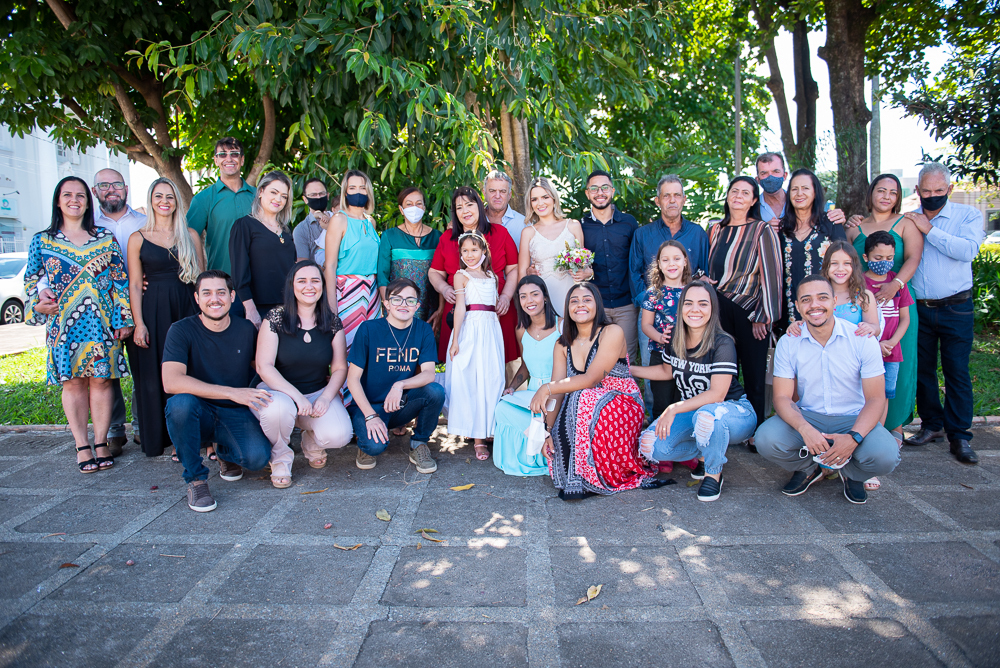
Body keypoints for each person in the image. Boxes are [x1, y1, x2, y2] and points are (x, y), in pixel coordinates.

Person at [754, 274, 900, 505]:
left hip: (853, 417)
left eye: (822, 298)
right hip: (809, 416)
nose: (815, 305)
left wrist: (853, 438)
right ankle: (811, 468)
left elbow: (875, 399)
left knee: (886, 455)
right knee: (766, 439)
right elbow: (781, 397)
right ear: (798, 307)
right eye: (806, 300)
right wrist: (804, 428)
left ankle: (851, 473)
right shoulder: (789, 342)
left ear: (834, 301)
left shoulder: (861, 339)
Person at [24, 177, 133, 473]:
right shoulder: (42, 241)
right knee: (73, 382)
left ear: (88, 201)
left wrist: (124, 318)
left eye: (81, 195)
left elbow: (120, 281)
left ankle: (101, 442)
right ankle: (82, 445)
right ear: (58, 201)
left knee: (101, 380)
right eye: (68, 195)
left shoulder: (104, 237)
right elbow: (31, 280)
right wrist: (37, 301)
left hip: (102, 323)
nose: (75, 200)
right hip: (64, 324)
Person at [530, 282, 668, 499]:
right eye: (574, 301)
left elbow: (591, 379)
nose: (580, 305)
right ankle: (576, 477)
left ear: (597, 305)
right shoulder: (562, 344)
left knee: (581, 397)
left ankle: (595, 477)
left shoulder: (612, 332)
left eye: (587, 300)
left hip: (623, 404)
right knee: (569, 404)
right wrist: (546, 430)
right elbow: (557, 392)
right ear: (567, 308)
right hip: (584, 405)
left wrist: (546, 388)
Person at [632, 281, 758, 501]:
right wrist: (628, 369)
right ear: (681, 307)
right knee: (650, 446)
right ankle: (705, 452)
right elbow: (666, 371)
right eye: (688, 303)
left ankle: (713, 473)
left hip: (734, 412)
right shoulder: (675, 337)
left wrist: (673, 408)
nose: (695, 309)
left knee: (707, 415)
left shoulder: (723, 342)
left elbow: (717, 395)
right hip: (696, 414)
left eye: (703, 303)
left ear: (713, 308)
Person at [162, 270, 272, 512]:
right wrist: (232, 392)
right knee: (179, 405)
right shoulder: (181, 330)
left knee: (257, 459)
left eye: (221, 292)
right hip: (197, 412)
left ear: (232, 296)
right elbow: (171, 381)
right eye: (207, 293)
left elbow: (264, 369)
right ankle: (196, 480)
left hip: (235, 412)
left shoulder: (246, 329)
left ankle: (225, 453)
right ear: (197, 298)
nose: (215, 299)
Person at [901, 162, 985, 465]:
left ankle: (960, 435)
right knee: (923, 371)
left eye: (938, 190)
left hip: (956, 307)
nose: (932, 195)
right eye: (926, 191)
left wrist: (931, 230)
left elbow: (967, 251)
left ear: (949, 189)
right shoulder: (910, 219)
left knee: (956, 371)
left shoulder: (967, 215)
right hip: (921, 309)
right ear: (917, 190)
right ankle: (931, 425)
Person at [252, 261, 353, 488]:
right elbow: (264, 367)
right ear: (292, 286)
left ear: (322, 286)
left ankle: (311, 437)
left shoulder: (332, 322)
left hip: (315, 392)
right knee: (279, 408)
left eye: (315, 280)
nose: (309, 286)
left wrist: (325, 398)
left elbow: (339, 368)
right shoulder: (275, 318)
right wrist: (297, 397)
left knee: (339, 435)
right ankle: (280, 458)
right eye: (302, 281)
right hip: (277, 393)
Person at [126, 178, 205, 459]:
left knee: (189, 371)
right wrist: (139, 323)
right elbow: (135, 284)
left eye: (170, 197)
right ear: (151, 200)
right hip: (152, 311)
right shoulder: (137, 238)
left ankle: (187, 437)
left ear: (177, 202)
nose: (164, 201)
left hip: (186, 308)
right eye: (159, 196)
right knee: (154, 374)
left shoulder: (190, 235)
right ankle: (160, 438)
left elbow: (201, 280)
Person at [845, 173, 924, 435]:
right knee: (860, 366)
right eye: (881, 190)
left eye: (893, 192)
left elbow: (913, 258)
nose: (886, 196)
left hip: (897, 303)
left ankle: (896, 426)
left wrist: (896, 284)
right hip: (861, 307)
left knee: (897, 364)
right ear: (871, 194)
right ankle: (861, 426)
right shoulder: (854, 227)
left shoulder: (906, 223)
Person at [345, 278, 445, 474]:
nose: (403, 304)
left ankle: (419, 443)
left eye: (410, 300)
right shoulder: (368, 329)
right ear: (387, 304)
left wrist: (399, 385)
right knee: (373, 447)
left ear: (417, 306)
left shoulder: (423, 329)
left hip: (400, 404)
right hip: (369, 406)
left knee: (435, 392)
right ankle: (366, 440)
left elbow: (429, 374)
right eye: (397, 299)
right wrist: (370, 416)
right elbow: (352, 379)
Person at [706, 176, 782, 432]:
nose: (738, 196)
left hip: (749, 311)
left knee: (753, 373)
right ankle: (726, 425)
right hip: (718, 309)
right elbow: (706, 266)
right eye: (734, 191)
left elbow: (772, 275)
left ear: (753, 201)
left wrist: (764, 316)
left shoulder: (762, 230)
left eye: (745, 193)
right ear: (728, 196)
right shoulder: (715, 229)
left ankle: (756, 430)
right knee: (721, 370)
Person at [630, 175, 710, 408]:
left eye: (677, 195)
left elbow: (704, 274)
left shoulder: (698, 233)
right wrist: (651, 301)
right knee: (653, 372)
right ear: (658, 201)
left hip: (690, 320)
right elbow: (634, 273)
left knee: (689, 370)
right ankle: (654, 417)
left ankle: (688, 415)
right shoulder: (643, 234)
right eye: (666, 196)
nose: (672, 200)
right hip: (652, 318)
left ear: (684, 199)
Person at [428, 187, 519, 364]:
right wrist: (444, 288)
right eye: (459, 207)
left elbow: (513, 269)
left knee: (497, 365)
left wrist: (506, 297)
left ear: (479, 206)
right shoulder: (447, 238)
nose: (465, 211)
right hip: (457, 311)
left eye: (469, 205)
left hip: (497, 310)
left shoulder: (499, 233)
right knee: (461, 365)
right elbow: (434, 272)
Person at [860, 231, 914, 491]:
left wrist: (892, 342)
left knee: (882, 398)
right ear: (866, 257)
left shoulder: (896, 284)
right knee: (864, 396)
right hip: (867, 352)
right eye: (878, 257)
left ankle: (876, 440)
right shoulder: (859, 283)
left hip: (891, 353)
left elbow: (905, 319)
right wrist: (875, 344)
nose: (884, 262)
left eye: (889, 258)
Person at [445, 232, 506, 460]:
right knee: (472, 379)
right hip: (471, 329)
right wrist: (455, 340)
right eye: (465, 251)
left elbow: (493, 305)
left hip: (490, 330)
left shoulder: (492, 276)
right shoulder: (461, 276)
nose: (469, 255)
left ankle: (490, 428)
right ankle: (478, 437)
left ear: (483, 251)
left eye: (474, 250)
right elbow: (461, 307)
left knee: (492, 378)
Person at [493, 276, 560, 476]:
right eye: (523, 296)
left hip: (556, 393)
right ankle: (526, 456)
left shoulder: (562, 327)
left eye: (534, 294)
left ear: (545, 297)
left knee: (543, 420)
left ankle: (546, 452)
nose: (529, 300)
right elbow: (525, 366)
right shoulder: (521, 330)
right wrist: (512, 387)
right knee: (502, 408)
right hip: (531, 396)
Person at [577, 169, 640, 360]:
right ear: (587, 193)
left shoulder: (629, 223)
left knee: (626, 359)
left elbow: (638, 260)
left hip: (626, 304)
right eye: (594, 188)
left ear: (612, 191)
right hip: (596, 305)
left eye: (605, 187)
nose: (600, 192)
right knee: (596, 358)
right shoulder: (580, 226)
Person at [777, 168, 847, 331]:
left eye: (805, 188)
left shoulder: (831, 223)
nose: (799, 193)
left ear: (815, 192)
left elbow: (845, 264)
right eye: (794, 189)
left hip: (825, 309)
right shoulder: (780, 228)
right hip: (789, 310)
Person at [228, 171, 297, 329]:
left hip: (286, 307)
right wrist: (250, 308)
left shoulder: (287, 231)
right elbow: (239, 272)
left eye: (284, 196)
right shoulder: (244, 225)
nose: (278, 199)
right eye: (273, 192)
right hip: (257, 308)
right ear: (260, 192)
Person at [323, 169, 381, 354]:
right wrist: (332, 306)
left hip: (372, 290)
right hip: (347, 290)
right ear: (345, 192)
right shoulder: (339, 219)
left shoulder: (370, 222)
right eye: (352, 188)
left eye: (362, 188)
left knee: (371, 347)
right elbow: (330, 265)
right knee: (348, 348)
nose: (358, 192)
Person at [517, 177, 586, 317]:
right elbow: (522, 274)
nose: (540, 203)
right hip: (542, 296)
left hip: (571, 291)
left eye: (545, 197)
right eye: (534, 199)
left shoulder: (573, 226)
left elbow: (584, 264)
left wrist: (586, 272)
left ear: (554, 198)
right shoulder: (528, 233)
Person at [186, 137, 256, 275]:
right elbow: (186, 240)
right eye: (222, 154)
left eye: (234, 154)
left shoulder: (259, 196)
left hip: (257, 279)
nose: (229, 159)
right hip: (221, 281)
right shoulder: (203, 199)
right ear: (216, 160)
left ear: (242, 160)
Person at [376, 186, 442, 324]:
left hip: (431, 311)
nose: (414, 208)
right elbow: (383, 277)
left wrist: (440, 309)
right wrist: (389, 307)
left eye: (418, 203)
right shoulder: (389, 236)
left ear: (424, 207)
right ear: (401, 209)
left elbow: (443, 275)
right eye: (409, 204)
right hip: (398, 309)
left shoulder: (437, 237)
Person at [641, 241, 691, 418]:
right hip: (660, 354)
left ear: (685, 261)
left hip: (688, 356)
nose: (671, 264)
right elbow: (646, 325)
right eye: (666, 260)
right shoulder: (653, 293)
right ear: (659, 265)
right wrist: (660, 337)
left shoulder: (692, 291)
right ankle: (657, 430)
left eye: (676, 258)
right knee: (662, 401)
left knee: (684, 400)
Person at [293, 177, 335, 264]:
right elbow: (302, 264)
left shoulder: (338, 218)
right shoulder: (301, 230)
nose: (318, 197)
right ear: (305, 199)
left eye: (321, 194)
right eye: (313, 195)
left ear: (327, 196)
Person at [483, 170, 527, 251]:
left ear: (509, 195)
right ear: (484, 193)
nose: (497, 196)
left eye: (502, 191)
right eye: (492, 191)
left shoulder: (523, 224)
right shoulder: (475, 221)